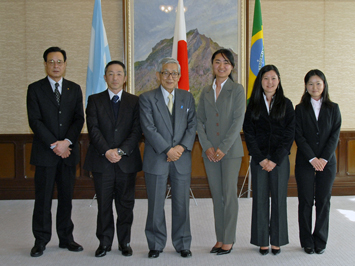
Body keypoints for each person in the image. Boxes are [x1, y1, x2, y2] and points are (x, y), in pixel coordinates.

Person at [26, 46, 84, 257]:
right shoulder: (35, 89)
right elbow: (35, 121)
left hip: (68, 154)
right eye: (51, 62)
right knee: (43, 199)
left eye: (59, 61)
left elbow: (79, 119)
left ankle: (66, 238)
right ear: (45, 64)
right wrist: (55, 144)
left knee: (66, 198)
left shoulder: (74, 89)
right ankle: (40, 240)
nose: (56, 65)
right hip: (45, 154)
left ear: (65, 64)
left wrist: (66, 142)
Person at [139, 57, 197, 259]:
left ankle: (182, 243)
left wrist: (180, 148)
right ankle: (155, 244)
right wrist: (167, 149)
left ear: (179, 76)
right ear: (158, 75)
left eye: (174, 73)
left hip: (181, 158)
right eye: (166, 72)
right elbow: (148, 128)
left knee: (182, 203)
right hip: (157, 158)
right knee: (155, 204)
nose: (170, 77)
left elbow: (192, 126)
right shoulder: (146, 98)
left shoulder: (187, 98)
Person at [84, 61, 142, 257]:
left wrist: (121, 151)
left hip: (126, 162)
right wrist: (108, 151)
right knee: (104, 205)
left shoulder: (135, 101)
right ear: (105, 77)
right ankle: (105, 242)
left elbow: (136, 131)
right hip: (102, 161)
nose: (115, 77)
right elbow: (93, 129)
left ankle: (124, 242)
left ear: (125, 79)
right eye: (111, 73)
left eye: (119, 74)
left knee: (126, 205)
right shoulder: (94, 100)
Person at [197, 49, 245, 255]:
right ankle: (219, 238)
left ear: (232, 66)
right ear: (212, 65)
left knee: (229, 194)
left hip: (230, 152)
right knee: (217, 196)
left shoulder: (237, 89)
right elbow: (199, 121)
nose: (222, 66)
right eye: (218, 62)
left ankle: (229, 239)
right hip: (209, 153)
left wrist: (222, 148)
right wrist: (207, 146)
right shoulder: (205, 92)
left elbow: (237, 122)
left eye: (226, 62)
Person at [243, 64, 295, 256]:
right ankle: (262, 240)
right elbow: (249, 133)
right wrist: (261, 158)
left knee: (279, 200)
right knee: (260, 200)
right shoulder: (253, 104)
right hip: (259, 160)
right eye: (266, 78)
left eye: (273, 78)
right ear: (260, 82)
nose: (270, 82)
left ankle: (277, 241)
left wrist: (274, 159)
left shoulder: (287, 104)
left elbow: (289, 135)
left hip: (279, 161)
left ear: (278, 81)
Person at [295, 69, 341, 255]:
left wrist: (323, 159)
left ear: (324, 85)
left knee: (323, 201)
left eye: (318, 83)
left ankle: (320, 240)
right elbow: (298, 135)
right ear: (306, 87)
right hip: (306, 161)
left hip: (327, 162)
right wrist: (312, 158)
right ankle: (307, 241)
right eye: (310, 84)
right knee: (305, 201)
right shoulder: (299, 109)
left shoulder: (333, 108)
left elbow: (335, 135)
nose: (314, 87)